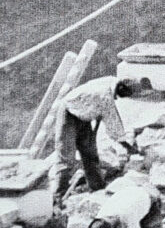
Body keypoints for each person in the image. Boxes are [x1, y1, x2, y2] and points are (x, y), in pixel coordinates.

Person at [52, 75, 138, 203]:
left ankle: (97, 187)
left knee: (90, 154)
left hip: (84, 114)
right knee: (66, 157)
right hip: (69, 112)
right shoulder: (105, 96)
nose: (125, 97)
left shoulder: (110, 81)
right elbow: (113, 126)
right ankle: (58, 196)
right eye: (126, 94)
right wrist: (128, 147)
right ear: (121, 88)